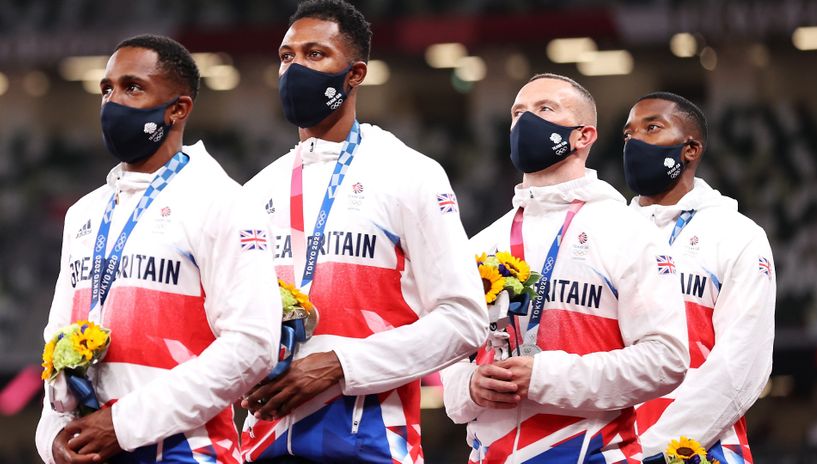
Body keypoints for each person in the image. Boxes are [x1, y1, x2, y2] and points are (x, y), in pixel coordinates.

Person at [239, 1, 488, 463]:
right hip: (264, 443)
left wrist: (340, 366)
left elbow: (465, 320)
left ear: (354, 74)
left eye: (315, 55)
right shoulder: (254, 192)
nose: (294, 68)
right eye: (287, 56)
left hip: (373, 441)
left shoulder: (409, 174)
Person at [34, 35, 280, 464]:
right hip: (95, 451)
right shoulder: (83, 214)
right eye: (107, 88)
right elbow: (56, 342)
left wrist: (124, 424)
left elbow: (252, 345)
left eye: (133, 87)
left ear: (178, 109)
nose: (113, 101)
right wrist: (54, 437)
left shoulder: (223, 202)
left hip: (190, 453)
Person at [440, 74, 690, 463]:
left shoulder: (628, 231)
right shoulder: (482, 243)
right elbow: (453, 362)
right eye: (517, 112)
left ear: (583, 135)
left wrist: (544, 377)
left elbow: (666, 359)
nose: (525, 122)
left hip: (592, 453)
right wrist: (468, 387)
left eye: (544, 110)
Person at [623, 92, 776, 463]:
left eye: (652, 128)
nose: (634, 141)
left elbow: (742, 363)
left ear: (690, 149)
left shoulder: (737, 235)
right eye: (627, 134)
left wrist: (653, 446)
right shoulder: (606, 233)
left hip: (704, 448)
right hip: (610, 445)